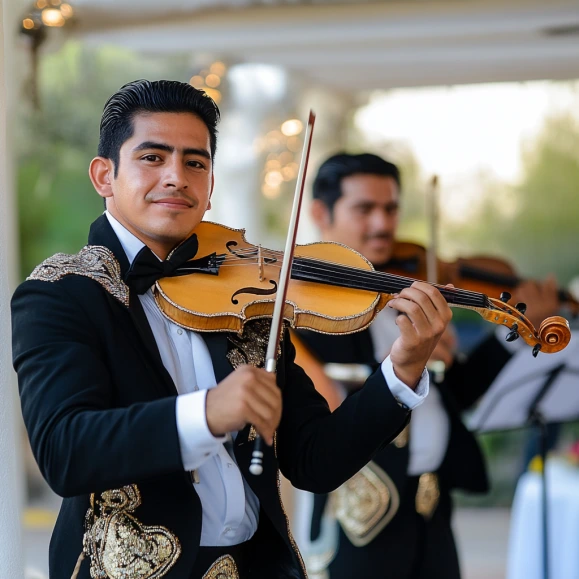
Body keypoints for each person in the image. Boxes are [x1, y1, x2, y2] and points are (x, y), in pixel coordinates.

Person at [10, 81, 453, 579]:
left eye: (195, 162)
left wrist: (402, 370)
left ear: (211, 184)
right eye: (153, 158)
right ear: (104, 176)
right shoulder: (60, 292)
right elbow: (64, 451)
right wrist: (206, 413)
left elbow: (314, 461)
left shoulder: (246, 298)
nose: (177, 177)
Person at [294, 153, 561, 579]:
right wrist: (404, 361)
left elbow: (456, 394)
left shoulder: (410, 291)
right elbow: (326, 410)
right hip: (360, 512)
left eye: (391, 208)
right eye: (365, 209)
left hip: (432, 503)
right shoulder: (307, 307)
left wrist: (514, 334)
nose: (383, 225)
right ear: (321, 214)